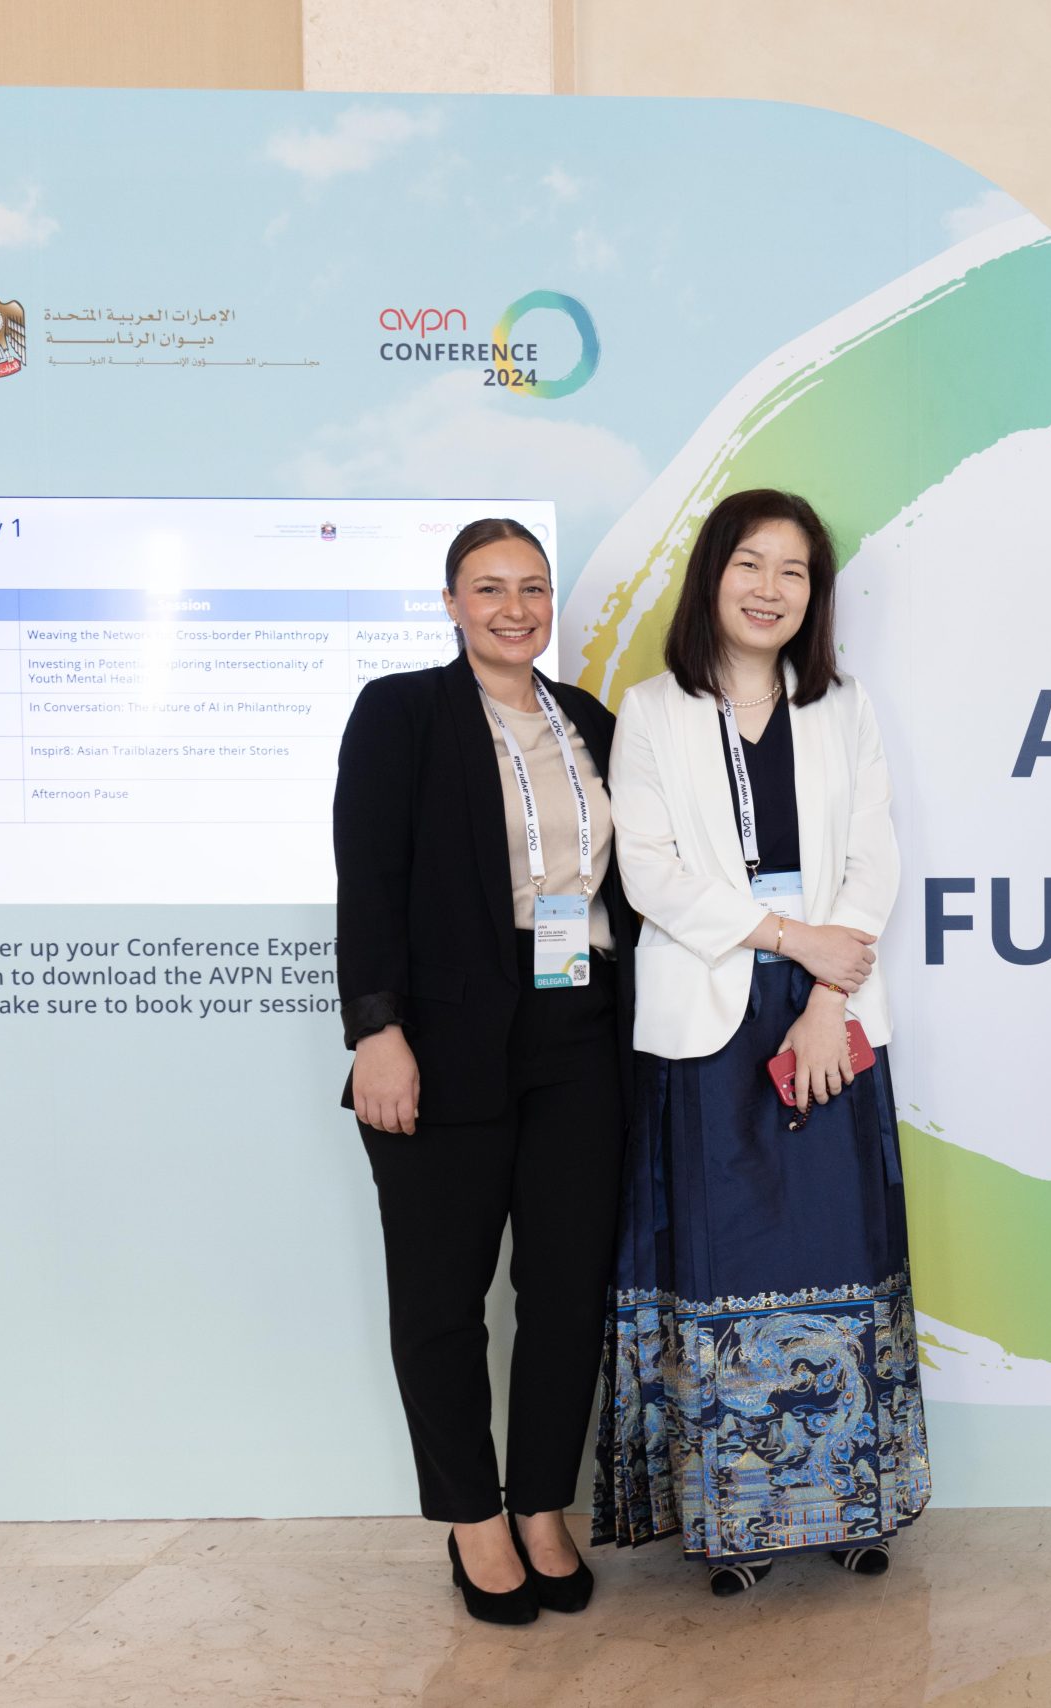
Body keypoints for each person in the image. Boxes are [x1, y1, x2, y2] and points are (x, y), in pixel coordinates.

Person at [592, 487, 928, 1595]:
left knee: (840, 1254)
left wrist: (828, 990)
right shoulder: (650, 711)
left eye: (794, 571)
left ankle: (852, 1504)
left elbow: (874, 857)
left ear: (813, 595)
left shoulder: (845, 708)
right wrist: (789, 939)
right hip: (708, 1017)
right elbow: (649, 871)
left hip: (829, 1016)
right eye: (751, 564)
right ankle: (734, 1517)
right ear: (712, 578)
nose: (771, 588)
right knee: (724, 1265)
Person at [334, 517, 635, 1626]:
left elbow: (622, 889)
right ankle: (473, 1517)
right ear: (451, 602)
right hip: (443, 1034)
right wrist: (377, 1029)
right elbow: (366, 874)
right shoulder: (401, 712)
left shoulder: (588, 721)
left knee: (564, 1290)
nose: (516, 607)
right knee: (442, 1296)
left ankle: (543, 1502)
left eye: (533, 587)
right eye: (489, 587)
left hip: (577, 1027)